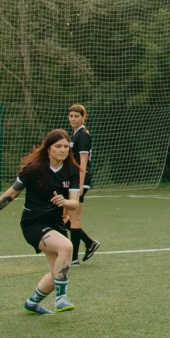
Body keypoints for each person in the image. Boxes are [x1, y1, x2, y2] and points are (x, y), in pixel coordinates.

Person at [0, 128, 82, 314]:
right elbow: (11, 193)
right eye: (58, 146)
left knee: (57, 271)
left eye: (65, 146)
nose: (63, 150)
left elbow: (74, 203)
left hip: (55, 224)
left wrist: (65, 202)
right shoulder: (35, 168)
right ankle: (61, 298)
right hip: (34, 223)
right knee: (67, 247)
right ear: (48, 148)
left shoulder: (71, 169)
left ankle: (32, 303)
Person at [65, 103, 99, 262]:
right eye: (71, 116)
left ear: (83, 117)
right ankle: (89, 243)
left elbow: (84, 161)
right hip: (73, 180)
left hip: (80, 181)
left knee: (74, 218)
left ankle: (74, 258)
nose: (73, 119)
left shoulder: (83, 135)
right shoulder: (75, 135)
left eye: (76, 116)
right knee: (65, 217)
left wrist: (79, 184)